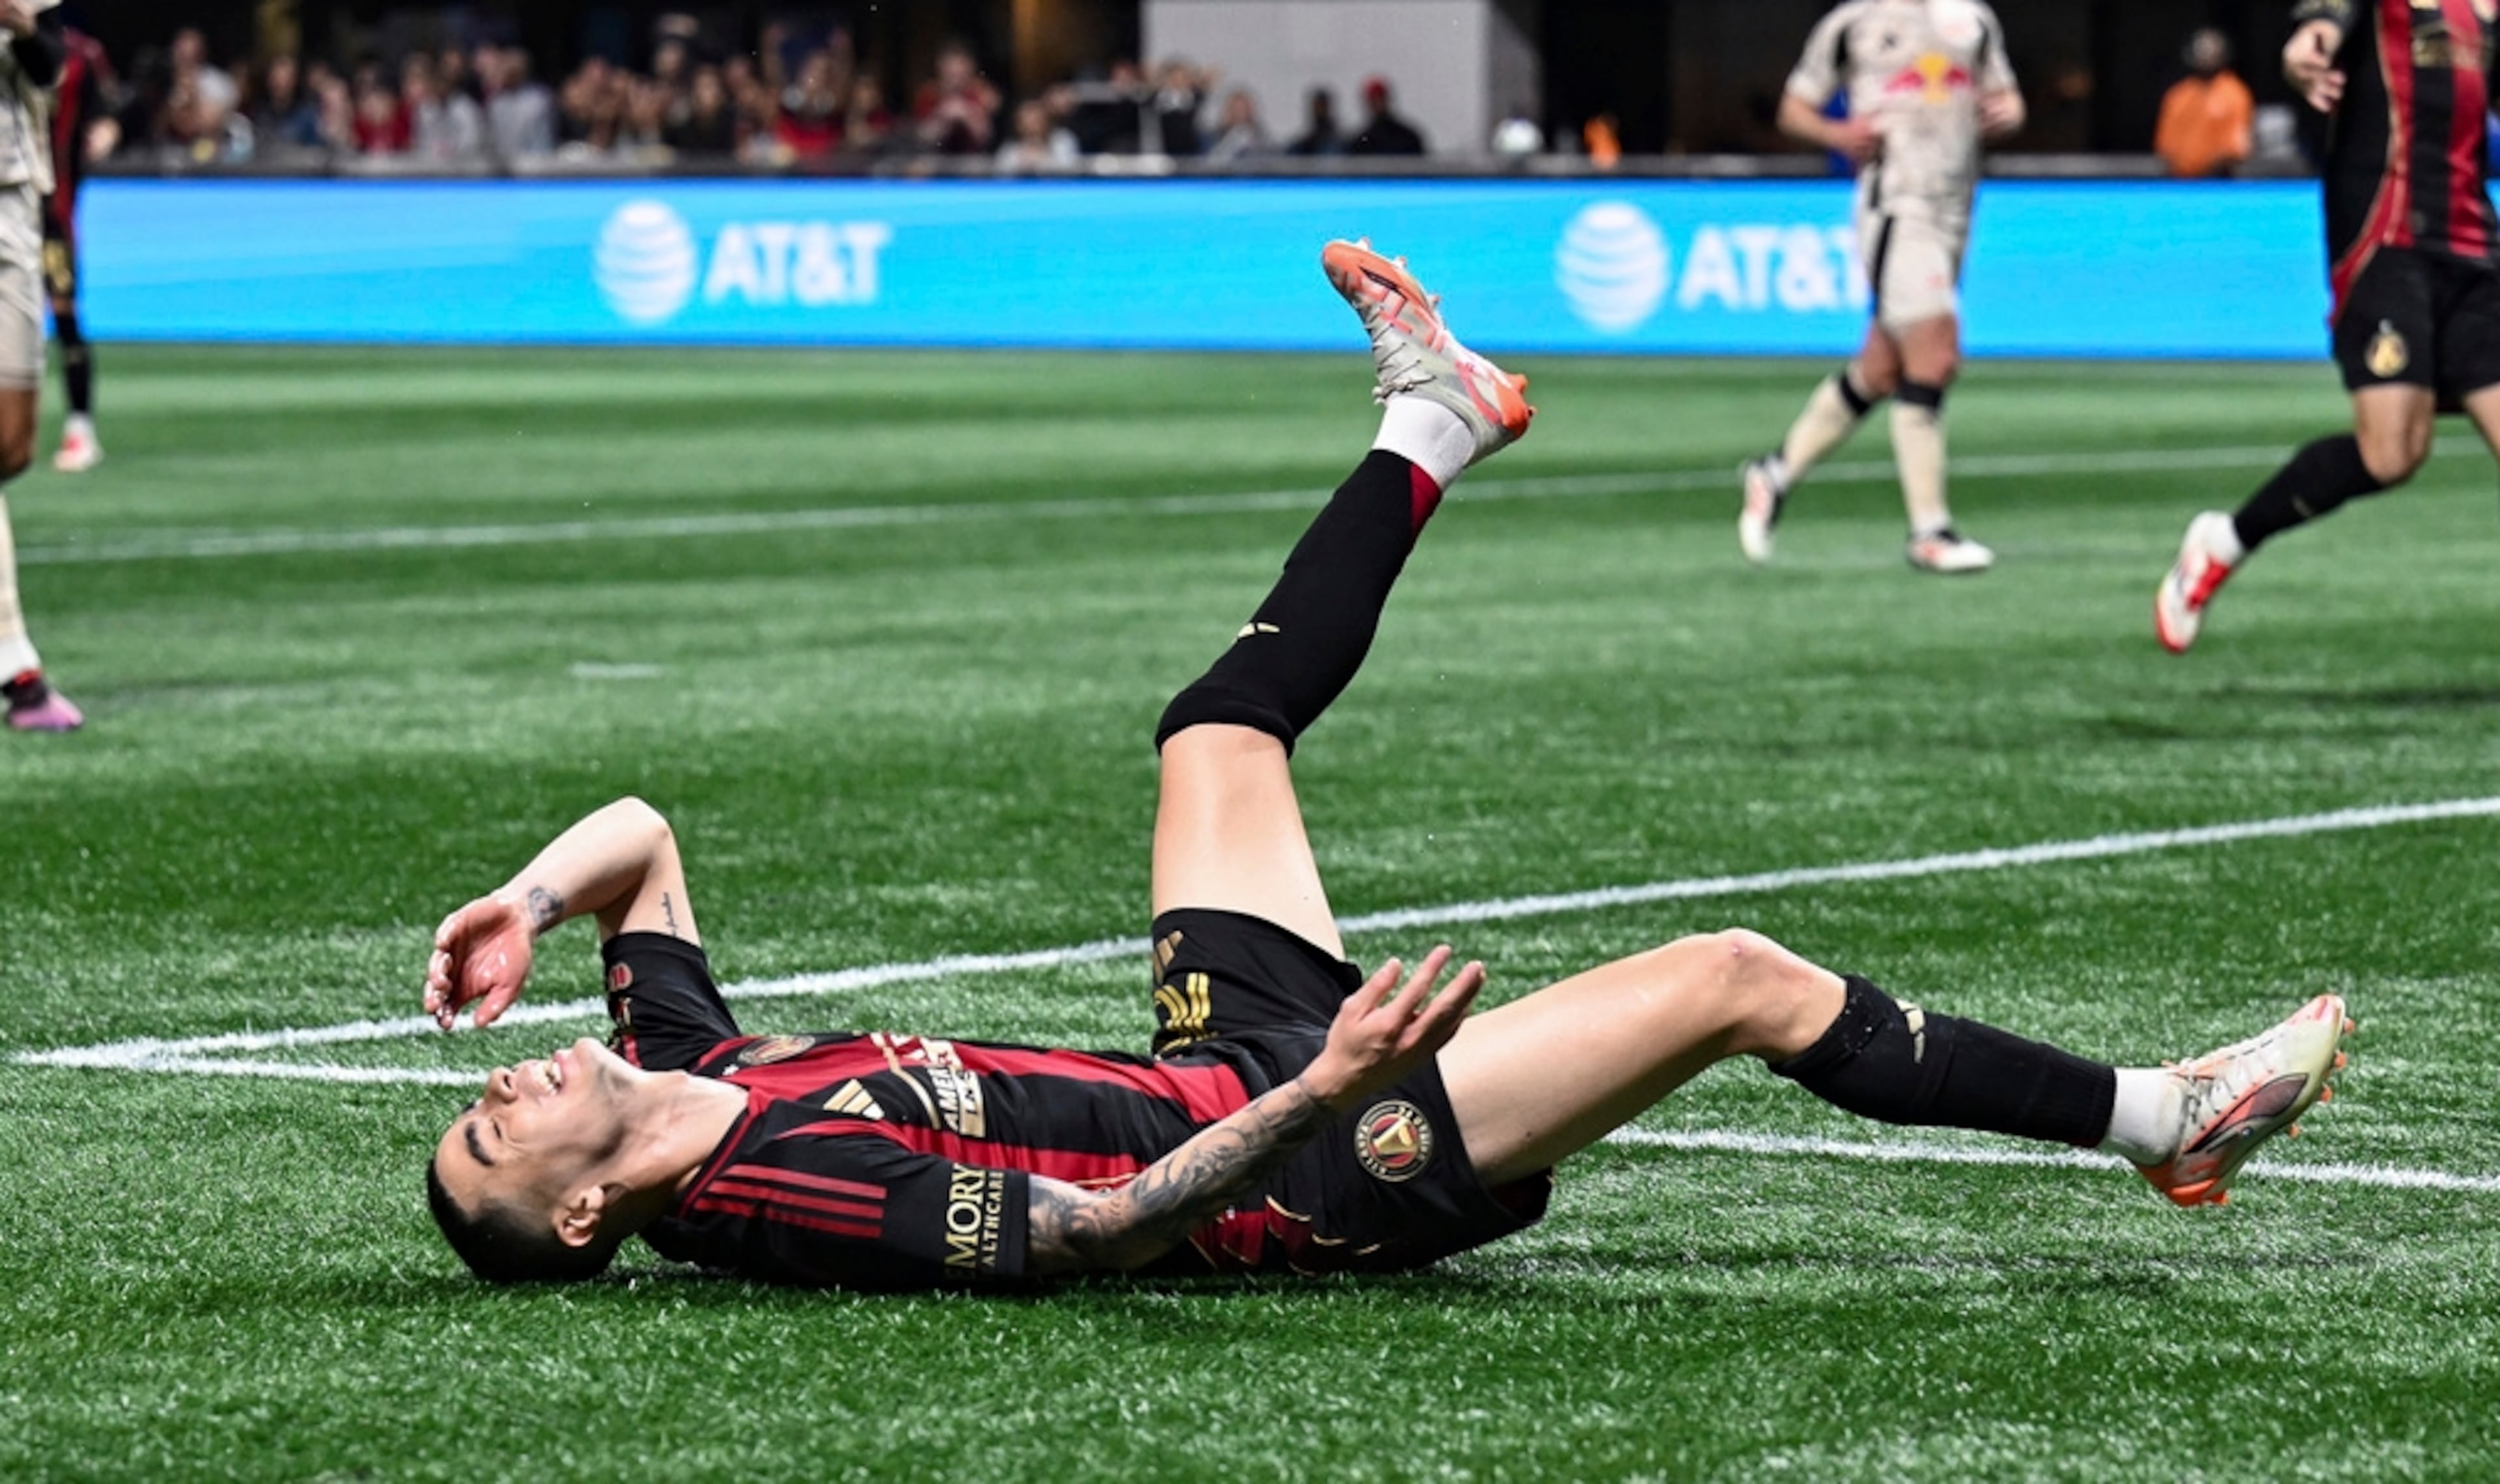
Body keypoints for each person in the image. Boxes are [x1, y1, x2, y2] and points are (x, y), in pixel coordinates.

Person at [424, 245, 2352, 1289]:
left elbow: (642, 841)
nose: (511, 1085)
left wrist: (521, 901)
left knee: (1213, 728)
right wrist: (1327, 1088)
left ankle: (1428, 424)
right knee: (1733, 982)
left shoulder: (682, 1071)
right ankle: (2161, 1121)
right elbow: (1098, 1236)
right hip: (1305, 1165)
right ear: (586, 1216)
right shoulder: (773, 1195)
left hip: (1219, 1055)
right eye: (502, 1132)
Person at [2156, 1, 2500, 652]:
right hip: (2385, 242)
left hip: (2475, 248)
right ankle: (2223, 542)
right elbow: (2325, 15)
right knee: (2391, 453)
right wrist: (2309, 41)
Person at [1737, 0, 2025, 574]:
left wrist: (2005, 114)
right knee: (1936, 349)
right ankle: (1930, 530)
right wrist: (1835, 132)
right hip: (1896, 204)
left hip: (1958, 207)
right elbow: (1796, 108)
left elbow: (2008, 99)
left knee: (1883, 368)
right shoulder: (1855, 22)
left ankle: (1775, 474)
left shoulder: (1972, 18)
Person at [0, 1, 74, 730]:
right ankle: (16, 662)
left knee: (11, 447)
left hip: (11, 198)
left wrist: (17, 22)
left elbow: (52, 62)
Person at [44, 24, 115, 474]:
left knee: (64, 312)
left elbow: (105, 117)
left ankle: (80, 428)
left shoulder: (79, 55)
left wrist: (107, 133)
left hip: (51, 213)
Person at [2154, 28, 2255, 179]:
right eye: (2201, 52)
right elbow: (2165, 146)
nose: (2205, 57)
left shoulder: (2235, 94)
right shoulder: (2178, 94)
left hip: (2218, 181)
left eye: (2211, 52)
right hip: (2179, 180)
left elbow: (2235, 148)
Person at [1346, 76, 1426, 156]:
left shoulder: (1408, 137)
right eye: (1374, 100)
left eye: (1380, 99)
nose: (1378, 104)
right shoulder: (1361, 142)